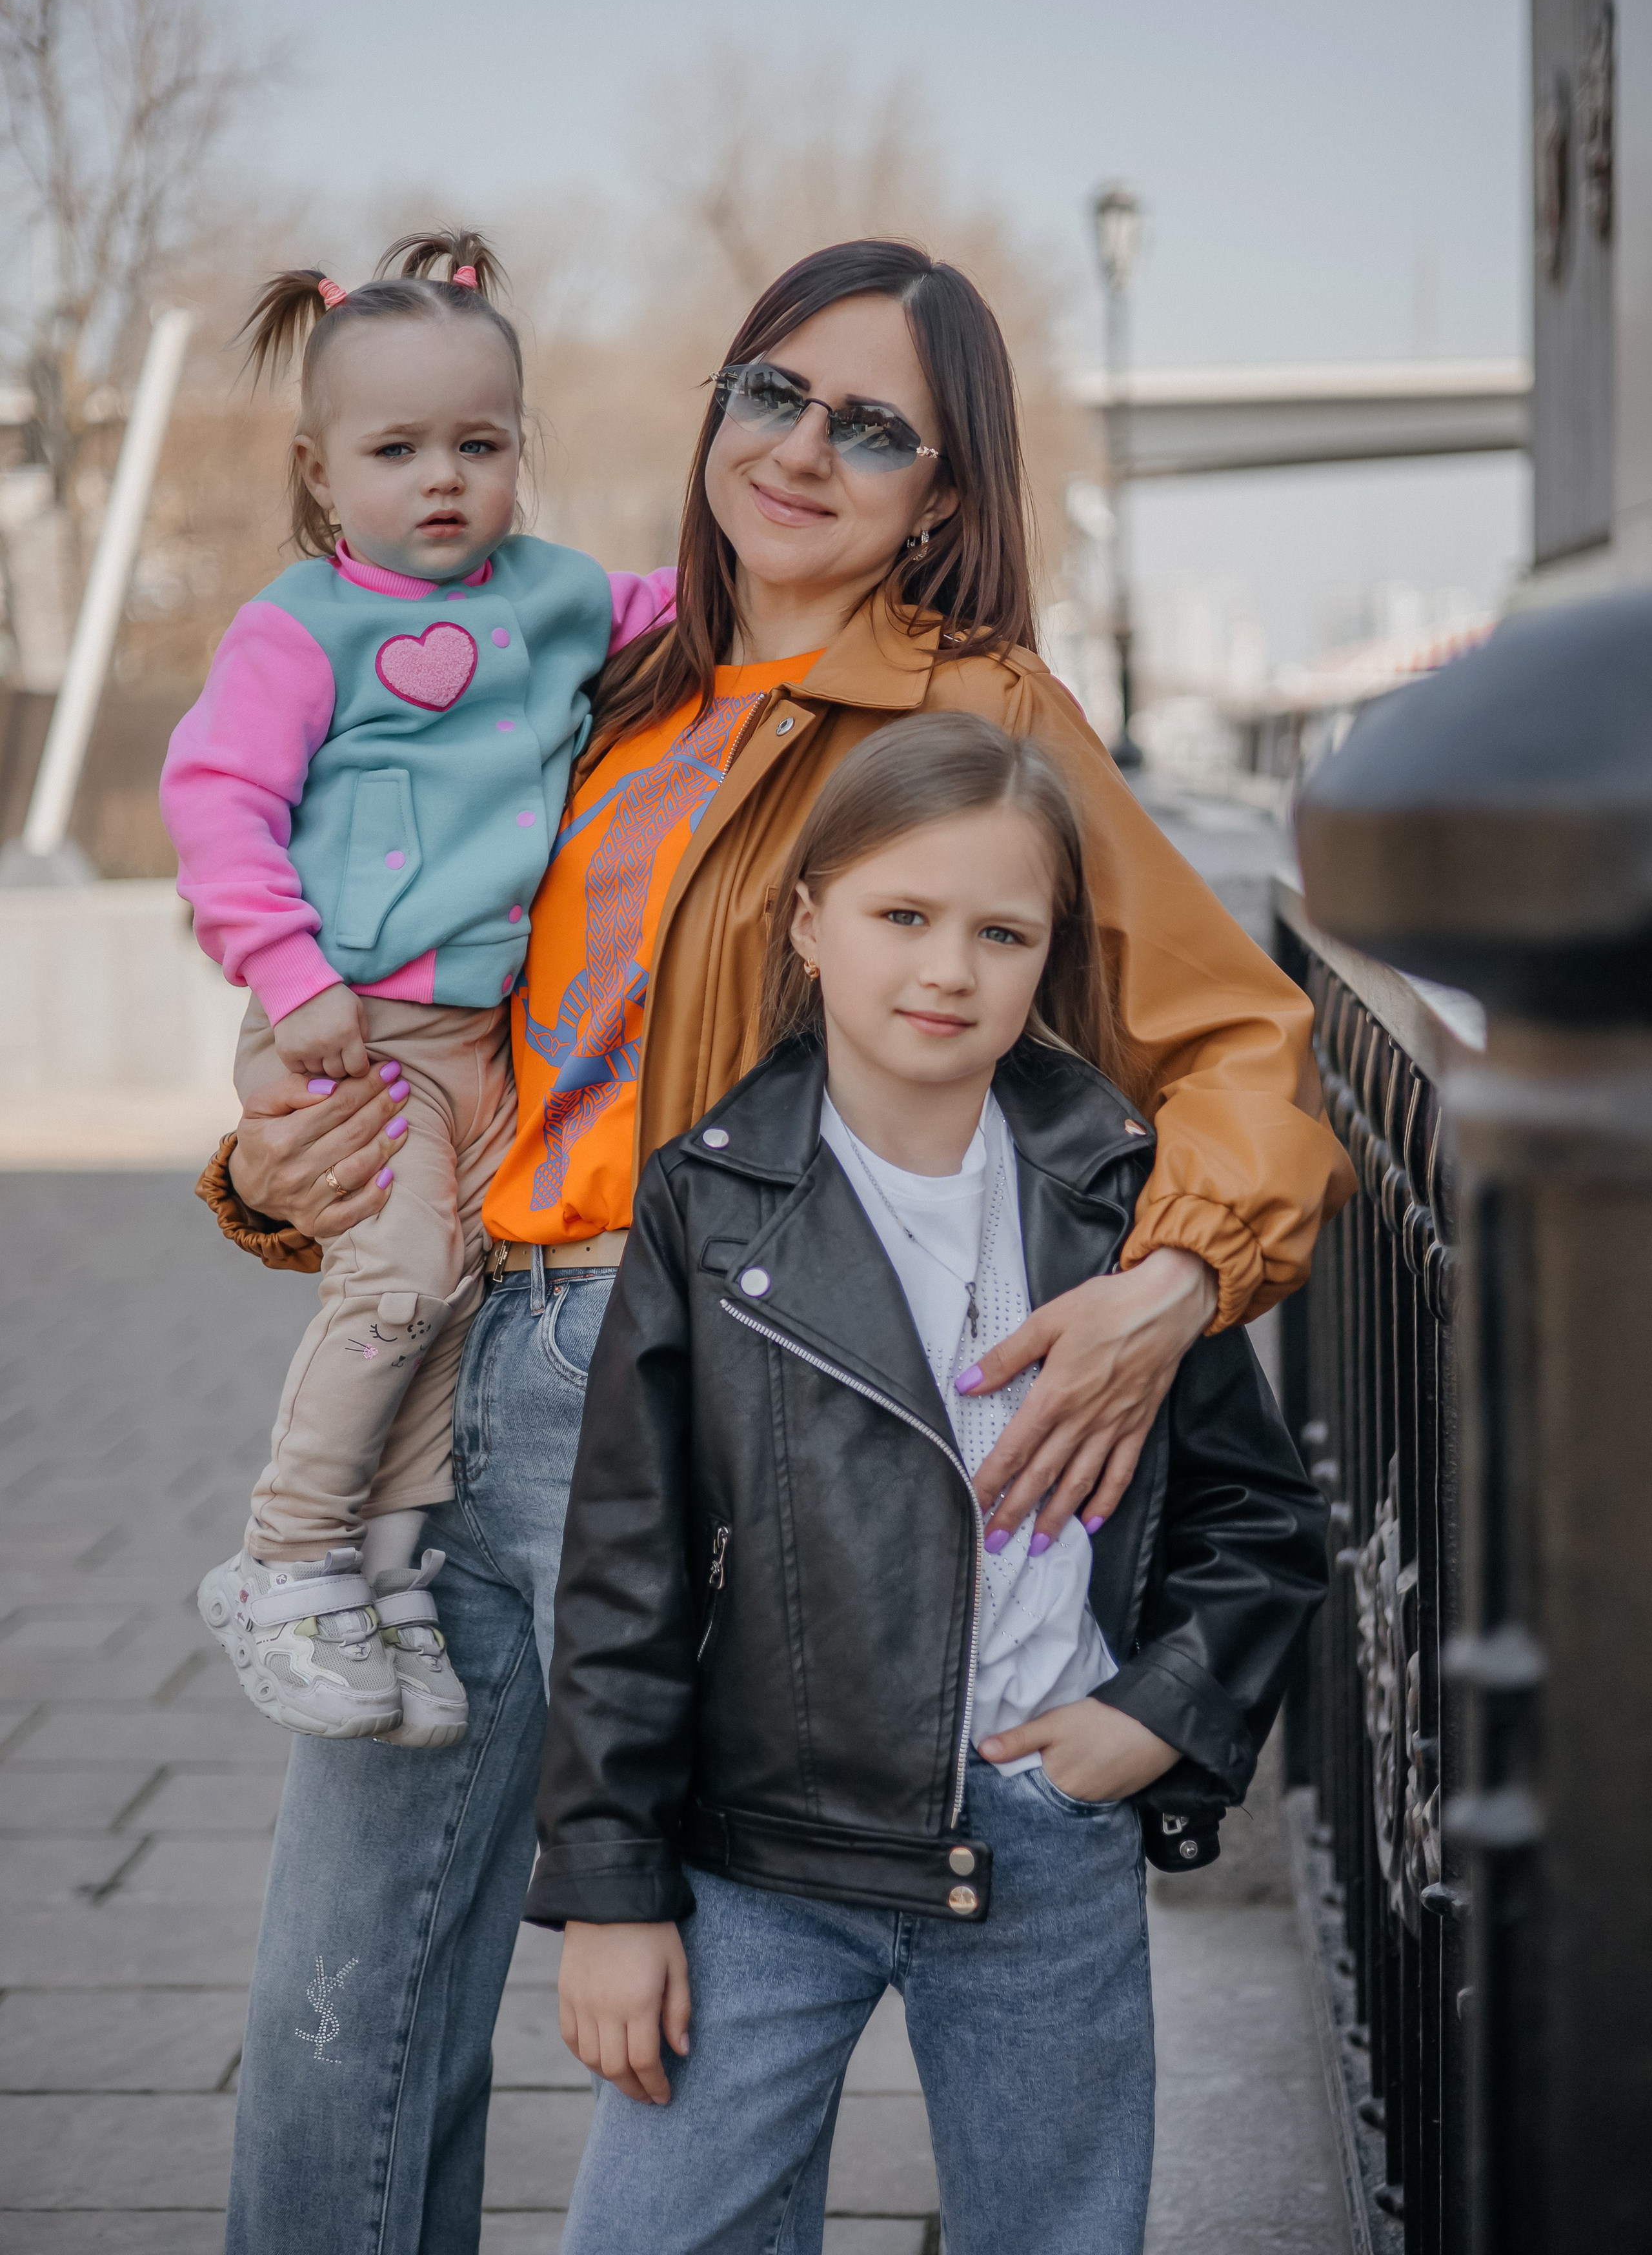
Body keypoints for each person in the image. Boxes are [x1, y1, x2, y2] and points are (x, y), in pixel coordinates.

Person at [201, 238, 1353, 2254]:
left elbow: (1240, 1036)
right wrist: (269, 1170)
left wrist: (1174, 1286)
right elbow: (447, 1004)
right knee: (342, 2012)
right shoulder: (598, 673)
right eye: (771, 391)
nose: (805, 446)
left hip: (700, 1421)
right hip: (471, 1360)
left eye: (876, 424)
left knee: (711, 2038)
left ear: (949, 492)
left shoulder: (974, 714)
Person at [536, 714, 1328, 2255]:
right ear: (808, 924)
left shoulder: (1121, 1201)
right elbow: (621, 1569)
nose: (946, 968)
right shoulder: (704, 1204)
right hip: (761, 1856)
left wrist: (1146, 1723)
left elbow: (1258, 1517)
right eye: (902, 916)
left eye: (998, 932)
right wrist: (610, 1895)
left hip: (1043, 1839)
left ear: (1049, 957)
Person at [160, 230, 671, 1749]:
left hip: (476, 1038)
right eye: (396, 450)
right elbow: (216, 808)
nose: (441, 479)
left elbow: (682, 606)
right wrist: (289, 972)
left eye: (480, 445)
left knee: (449, 1297)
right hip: (348, 1021)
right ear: (319, 472)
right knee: (387, 1284)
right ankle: (283, 1559)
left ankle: (385, 1579)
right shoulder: (294, 628)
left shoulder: (556, 597)